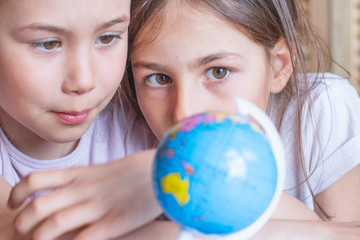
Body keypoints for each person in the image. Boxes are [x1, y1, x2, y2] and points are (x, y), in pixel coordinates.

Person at [7, 0, 360, 239]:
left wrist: (178, 177)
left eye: (218, 71)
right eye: (159, 79)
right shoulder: (125, 126)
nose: (185, 112)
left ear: (280, 65)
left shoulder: (319, 112)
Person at [0, 0, 159, 239]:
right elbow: (19, 228)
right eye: (48, 43)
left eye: (107, 38)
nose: (84, 82)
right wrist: (166, 177)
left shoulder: (148, 118)